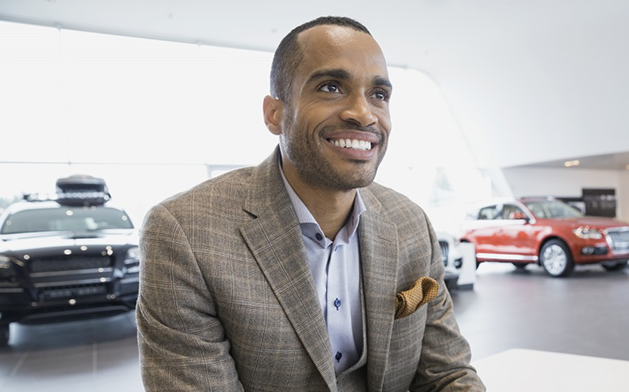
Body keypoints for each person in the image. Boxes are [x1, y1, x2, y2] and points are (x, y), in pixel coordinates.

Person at [136, 16, 485, 392]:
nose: (364, 113)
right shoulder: (185, 233)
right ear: (275, 114)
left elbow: (448, 375)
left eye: (379, 95)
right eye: (331, 87)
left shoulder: (410, 223)